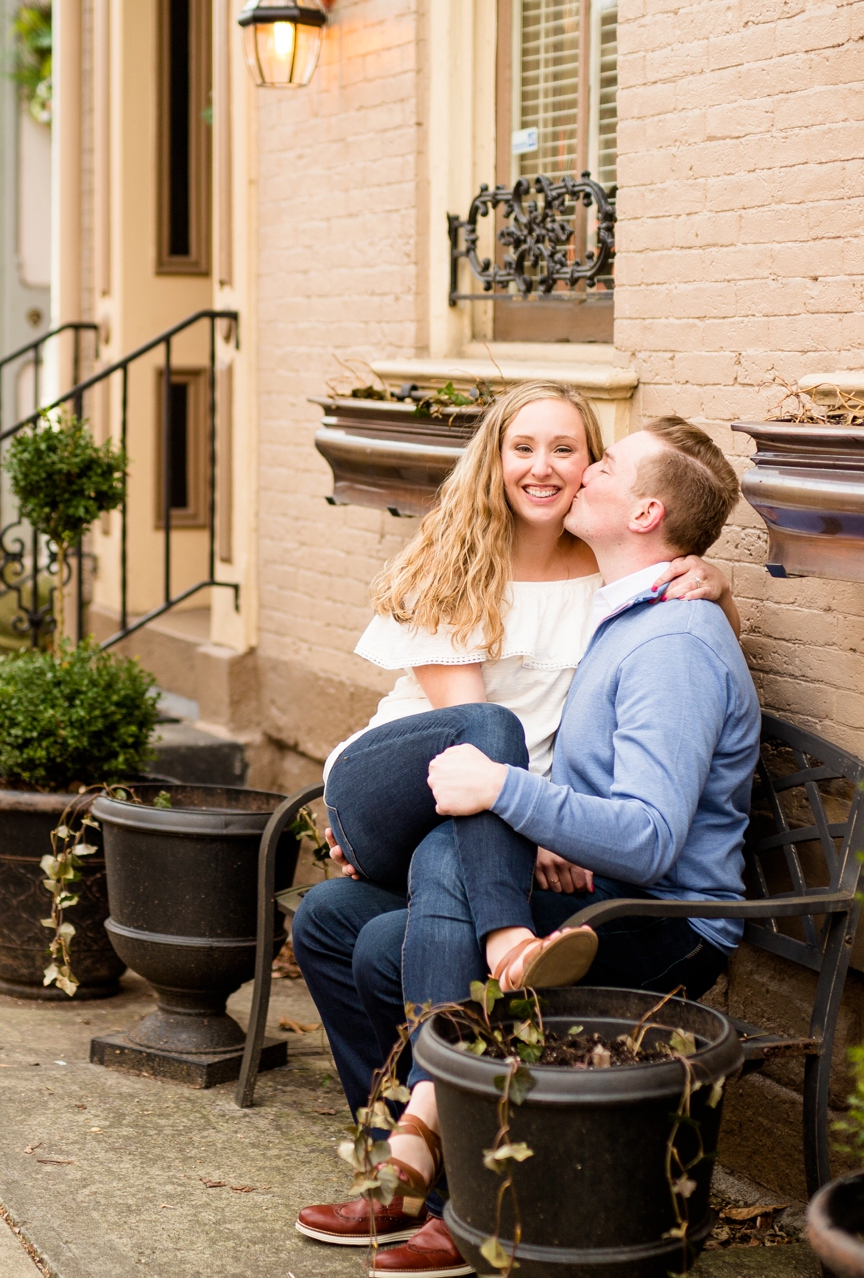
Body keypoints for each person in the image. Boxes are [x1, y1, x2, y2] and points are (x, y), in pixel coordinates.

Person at [290, 417, 761, 1277]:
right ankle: (410, 1152)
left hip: (664, 916)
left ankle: (449, 1184)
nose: (583, 473)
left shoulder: (674, 644)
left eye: (605, 463)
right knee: (329, 917)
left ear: (647, 510)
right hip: (589, 883)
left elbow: (653, 840)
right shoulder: (628, 611)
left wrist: (511, 794)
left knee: (397, 926)